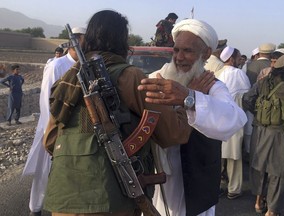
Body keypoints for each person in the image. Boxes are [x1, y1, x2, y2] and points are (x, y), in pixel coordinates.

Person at [43, 10, 191, 216]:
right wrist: (186, 103)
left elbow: (50, 141)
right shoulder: (130, 77)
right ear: (123, 41)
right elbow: (172, 133)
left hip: (64, 197)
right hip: (111, 199)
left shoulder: (68, 80)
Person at [138, 19, 248, 216]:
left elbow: (235, 119)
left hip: (196, 180)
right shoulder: (157, 78)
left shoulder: (212, 85)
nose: (179, 57)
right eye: (176, 50)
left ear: (205, 53)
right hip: (158, 177)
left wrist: (190, 98)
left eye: (187, 51)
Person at [22, 27, 86, 216]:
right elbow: (46, 99)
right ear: (75, 41)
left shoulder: (83, 65)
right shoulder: (57, 65)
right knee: (44, 171)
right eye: (84, 41)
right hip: (53, 128)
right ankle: (36, 209)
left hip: (73, 129)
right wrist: (53, 128)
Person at [242, 54, 284, 216]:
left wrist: (259, 114)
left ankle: (257, 202)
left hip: (259, 130)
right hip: (280, 134)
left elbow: (247, 99)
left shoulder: (263, 82)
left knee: (258, 167)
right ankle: (272, 210)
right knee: (278, 171)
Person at [215, 46, 251, 200]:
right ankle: (234, 189)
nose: (239, 60)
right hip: (234, 123)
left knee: (218, 158)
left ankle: (216, 188)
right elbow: (247, 98)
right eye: (237, 58)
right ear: (231, 59)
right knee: (234, 158)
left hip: (216, 123)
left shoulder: (218, 74)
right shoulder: (239, 74)